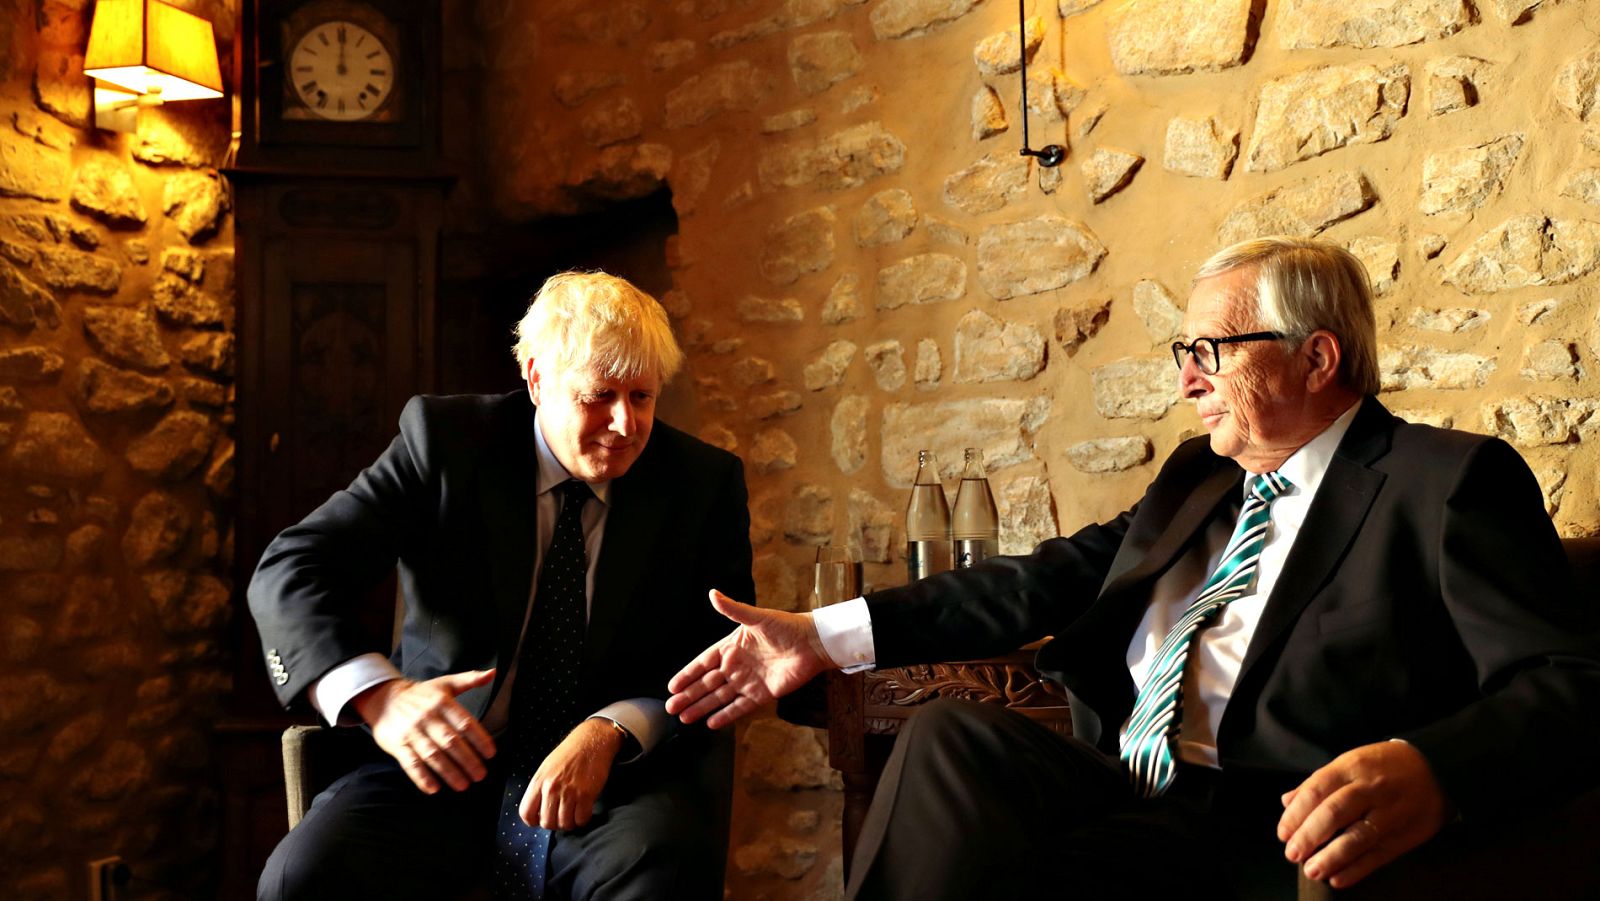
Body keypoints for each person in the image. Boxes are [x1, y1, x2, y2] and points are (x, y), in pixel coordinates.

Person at [666, 236, 1600, 899]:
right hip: (1124, 781)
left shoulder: (1445, 482)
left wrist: (1433, 769)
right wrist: (822, 637)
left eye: (1211, 351)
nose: (1187, 378)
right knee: (949, 740)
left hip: (1265, 824)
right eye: (1183, 352)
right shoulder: (1200, 477)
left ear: (1317, 357)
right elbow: (1040, 580)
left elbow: (1566, 684)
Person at [251, 271, 754, 900]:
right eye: (600, 395)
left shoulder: (701, 484)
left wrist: (614, 729)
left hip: (613, 783)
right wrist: (382, 698)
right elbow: (293, 567)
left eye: (644, 397)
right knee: (303, 876)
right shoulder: (447, 445)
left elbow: (722, 650)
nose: (625, 424)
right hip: (442, 761)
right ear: (537, 378)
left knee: (658, 873)